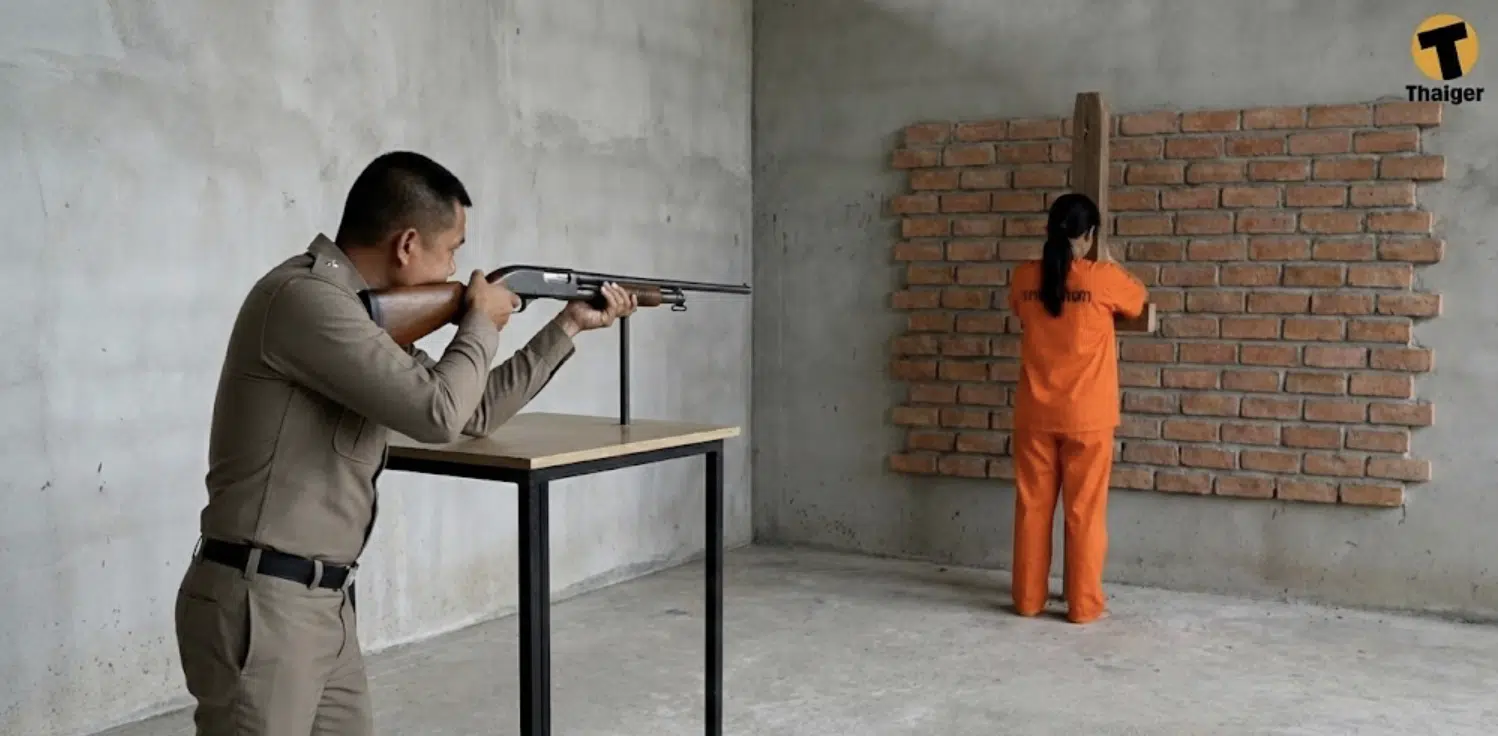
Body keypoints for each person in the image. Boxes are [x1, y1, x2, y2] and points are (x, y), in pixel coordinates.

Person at [173, 150, 637, 734]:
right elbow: (437, 414)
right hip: (264, 607)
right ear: (408, 244)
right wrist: (480, 321)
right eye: (453, 250)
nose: (457, 270)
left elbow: (470, 412)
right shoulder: (304, 299)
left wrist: (566, 326)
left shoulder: (357, 319)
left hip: (323, 603)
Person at [1005, 192, 1148, 624]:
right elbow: (1138, 300)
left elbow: (1022, 309)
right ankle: (1083, 607)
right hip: (1087, 417)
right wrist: (1111, 260)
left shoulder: (1023, 278)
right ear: (1089, 236)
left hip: (1034, 414)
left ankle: (1027, 600)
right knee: (1084, 512)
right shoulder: (1102, 279)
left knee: (1032, 509)